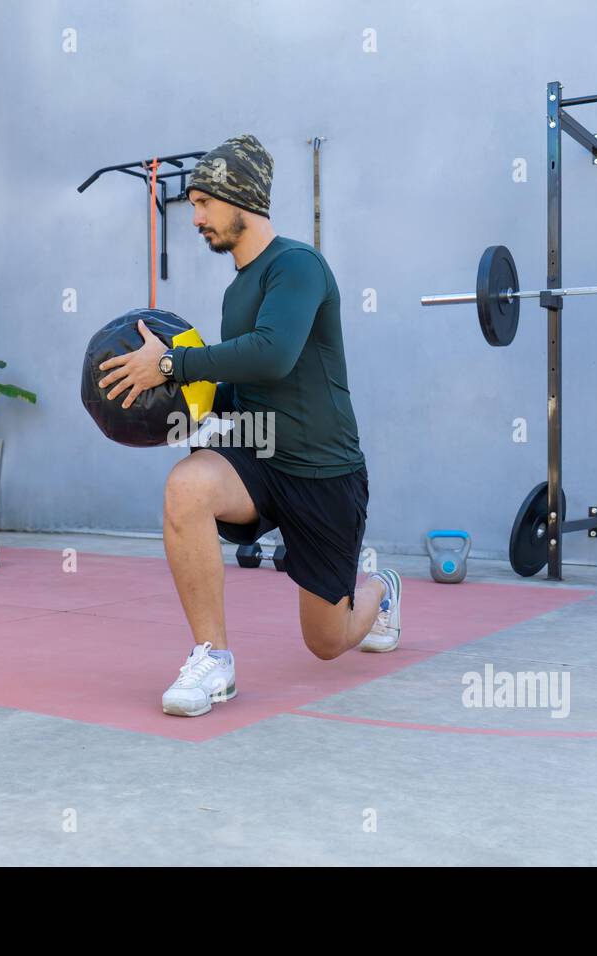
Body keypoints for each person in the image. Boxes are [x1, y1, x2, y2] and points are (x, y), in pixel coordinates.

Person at [96, 134, 401, 717]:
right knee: (186, 485)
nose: (196, 218)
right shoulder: (236, 289)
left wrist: (169, 362)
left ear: (242, 201)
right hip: (259, 454)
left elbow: (273, 354)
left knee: (327, 642)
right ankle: (214, 660)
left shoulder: (297, 267)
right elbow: (242, 386)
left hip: (323, 469)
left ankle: (379, 587)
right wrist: (179, 404)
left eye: (204, 203)